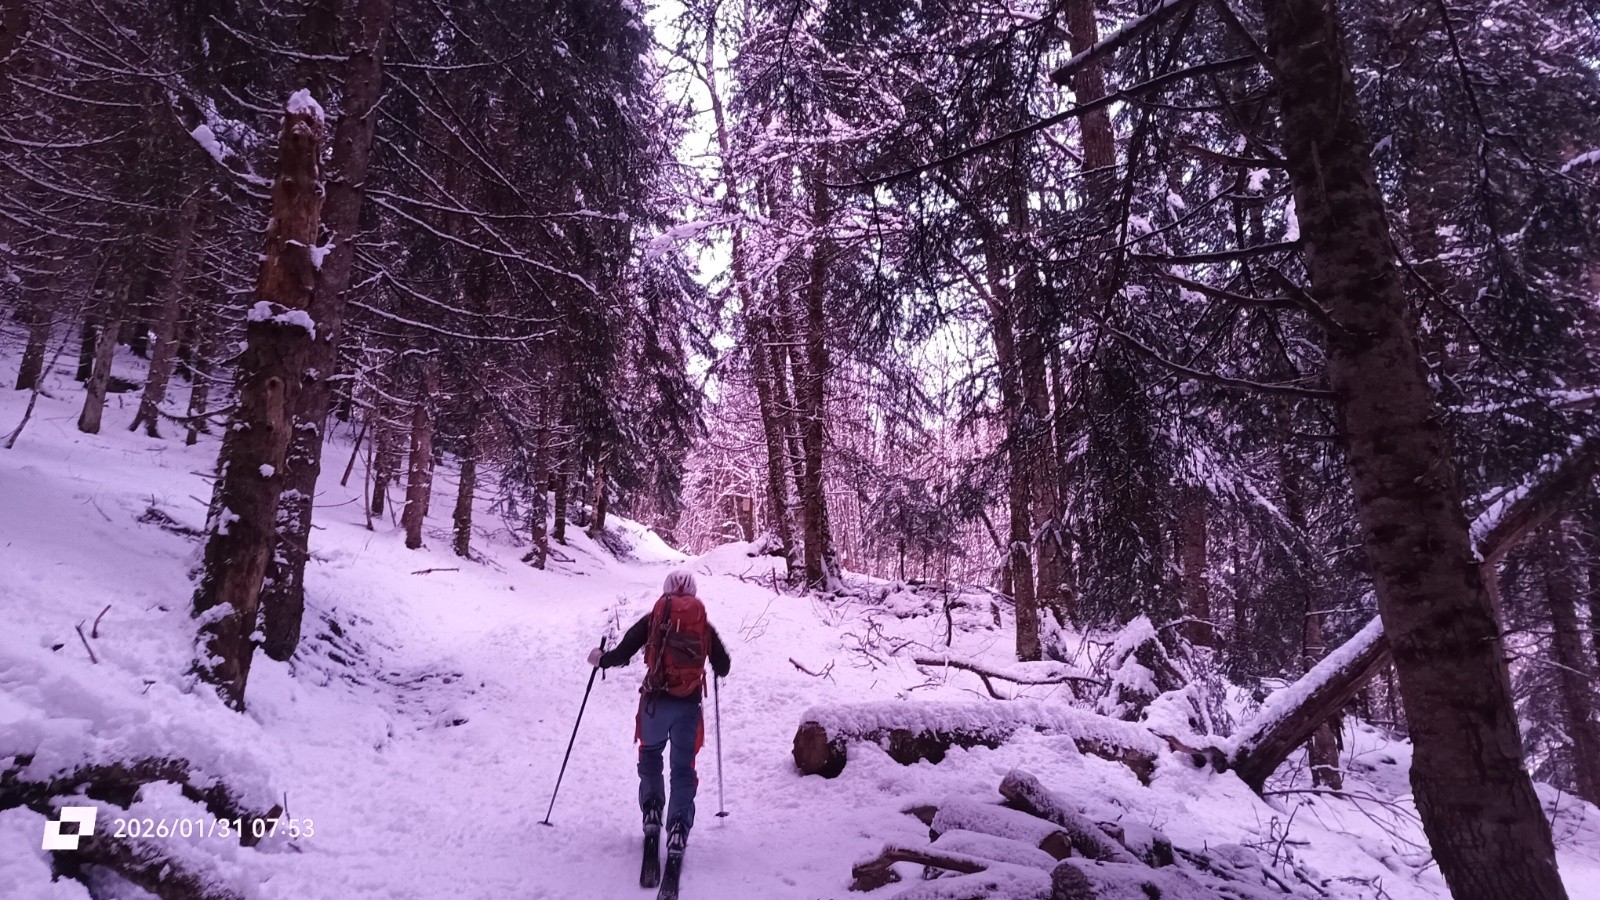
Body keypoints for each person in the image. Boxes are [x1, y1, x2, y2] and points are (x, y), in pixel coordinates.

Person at [588, 569, 730, 887]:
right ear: (693, 593)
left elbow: (622, 654)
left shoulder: (654, 618)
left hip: (654, 704)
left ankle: (652, 815)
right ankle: (677, 828)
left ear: (666, 592)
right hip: (687, 708)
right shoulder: (703, 623)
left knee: (650, 756)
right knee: (682, 770)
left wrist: (601, 659)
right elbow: (724, 666)